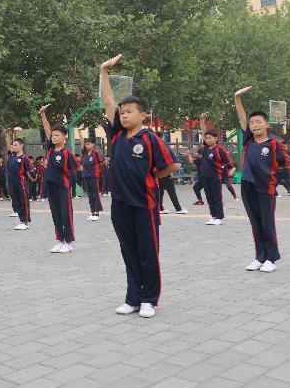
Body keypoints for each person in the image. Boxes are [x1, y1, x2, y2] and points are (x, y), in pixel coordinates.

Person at [101, 54, 179, 318]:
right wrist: (103, 72)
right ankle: (132, 297)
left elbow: (172, 166)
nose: (123, 116)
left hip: (144, 205)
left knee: (148, 252)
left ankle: (149, 298)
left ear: (143, 115)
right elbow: (109, 101)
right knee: (128, 252)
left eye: (129, 112)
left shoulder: (149, 139)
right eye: (121, 113)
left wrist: (151, 177)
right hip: (120, 203)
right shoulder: (117, 137)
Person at [234, 86, 290, 272]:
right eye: (252, 123)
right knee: (255, 223)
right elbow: (242, 117)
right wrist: (237, 98)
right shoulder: (248, 140)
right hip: (247, 186)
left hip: (265, 188)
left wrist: (277, 182)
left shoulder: (274, 144)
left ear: (267, 125)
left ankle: (271, 259)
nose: (254, 125)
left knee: (267, 223)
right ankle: (259, 257)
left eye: (258, 122)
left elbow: (285, 165)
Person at [39, 105, 80, 252]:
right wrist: (43, 114)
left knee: (65, 214)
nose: (54, 137)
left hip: (63, 187)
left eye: (57, 135)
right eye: (53, 135)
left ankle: (68, 242)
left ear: (64, 137)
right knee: (56, 214)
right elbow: (47, 130)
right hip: (51, 187)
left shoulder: (67, 153)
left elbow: (78, 167)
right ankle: (60, 240)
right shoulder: (50, 149)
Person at [196, 114, 235, 226]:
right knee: (209, 197)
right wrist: (202, 121)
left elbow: (230, 164)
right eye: (206, 138)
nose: (207, 140)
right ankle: (213, 217)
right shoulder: (204, 149)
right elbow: (203, 133)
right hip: (205, 177)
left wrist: (231, 172)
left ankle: (219, 217)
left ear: (216, 139)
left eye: (210, 138)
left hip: (215, 177)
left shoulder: (220, 150)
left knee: (216, 197)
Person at [6, 133, 32, 230]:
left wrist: (30, 180)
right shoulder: (12, 156)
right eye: (13, 145)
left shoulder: (24, 158)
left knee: (23, 202)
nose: (14, 146)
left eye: (16, 145)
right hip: (12, 183)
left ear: (21, 145)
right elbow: (8, 143)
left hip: (22, 184)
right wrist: (8, 133)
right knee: (16, 202)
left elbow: (29, 171)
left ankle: (25, 222)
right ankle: (21, 221)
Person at [81, 137, 104, 220]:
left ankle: (97, 214)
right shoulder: (85, 153)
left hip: (94, 176)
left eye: (88, 144)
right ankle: (93, 212)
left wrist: (96, 169)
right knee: (90, 195)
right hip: (85, 176)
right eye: (86, 144)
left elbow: (103, 162)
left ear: (93, 144)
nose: (87, 146)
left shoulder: (96, 153)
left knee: (95, 194)